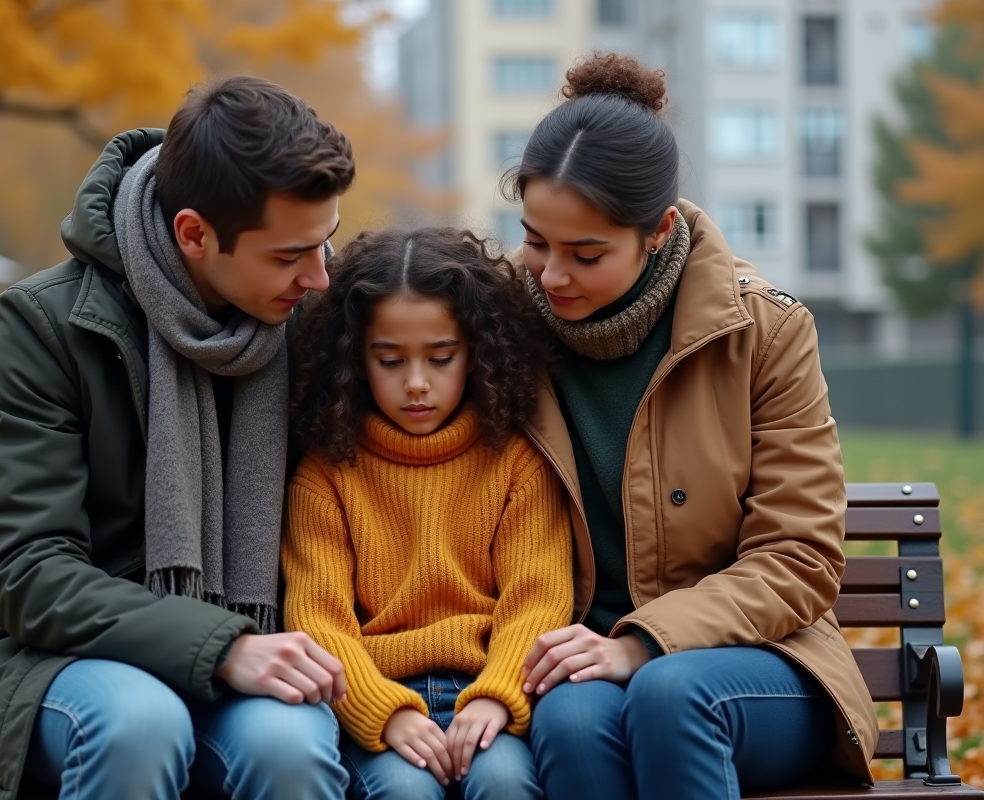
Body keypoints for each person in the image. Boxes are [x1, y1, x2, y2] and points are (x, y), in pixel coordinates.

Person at [0, 77, 356, 800]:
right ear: (194, 233)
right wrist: (220, 645)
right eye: (288, 257)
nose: (318, 278)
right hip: (48, 662)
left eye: (325, 244)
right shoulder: (47, 326)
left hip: (260, 655)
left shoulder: (312, 320)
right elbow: (27, 572)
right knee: (139, 724)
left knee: (290, 747)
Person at [504, 54, 879, 799]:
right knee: (570, 721)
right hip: (582, 668)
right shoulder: (504, 324)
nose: (550, 275)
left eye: (585, 254)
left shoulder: (762, 330)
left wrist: (645, 641)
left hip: (759, 664)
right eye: (536, 241)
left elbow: (799, 554)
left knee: (670, 694)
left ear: (657, 231)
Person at [283, 227, 575, 800]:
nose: (416, 384)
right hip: (378, 701)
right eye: (389, 360)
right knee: (404, 791)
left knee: (507, 782)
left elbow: (537, 599)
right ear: (354, 359)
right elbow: (317, 619)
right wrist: (383, 712)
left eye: (441, 358)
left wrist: (497, 693)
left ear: (476, 352)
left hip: (488, 692)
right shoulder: (325, 475)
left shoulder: (517, 462)